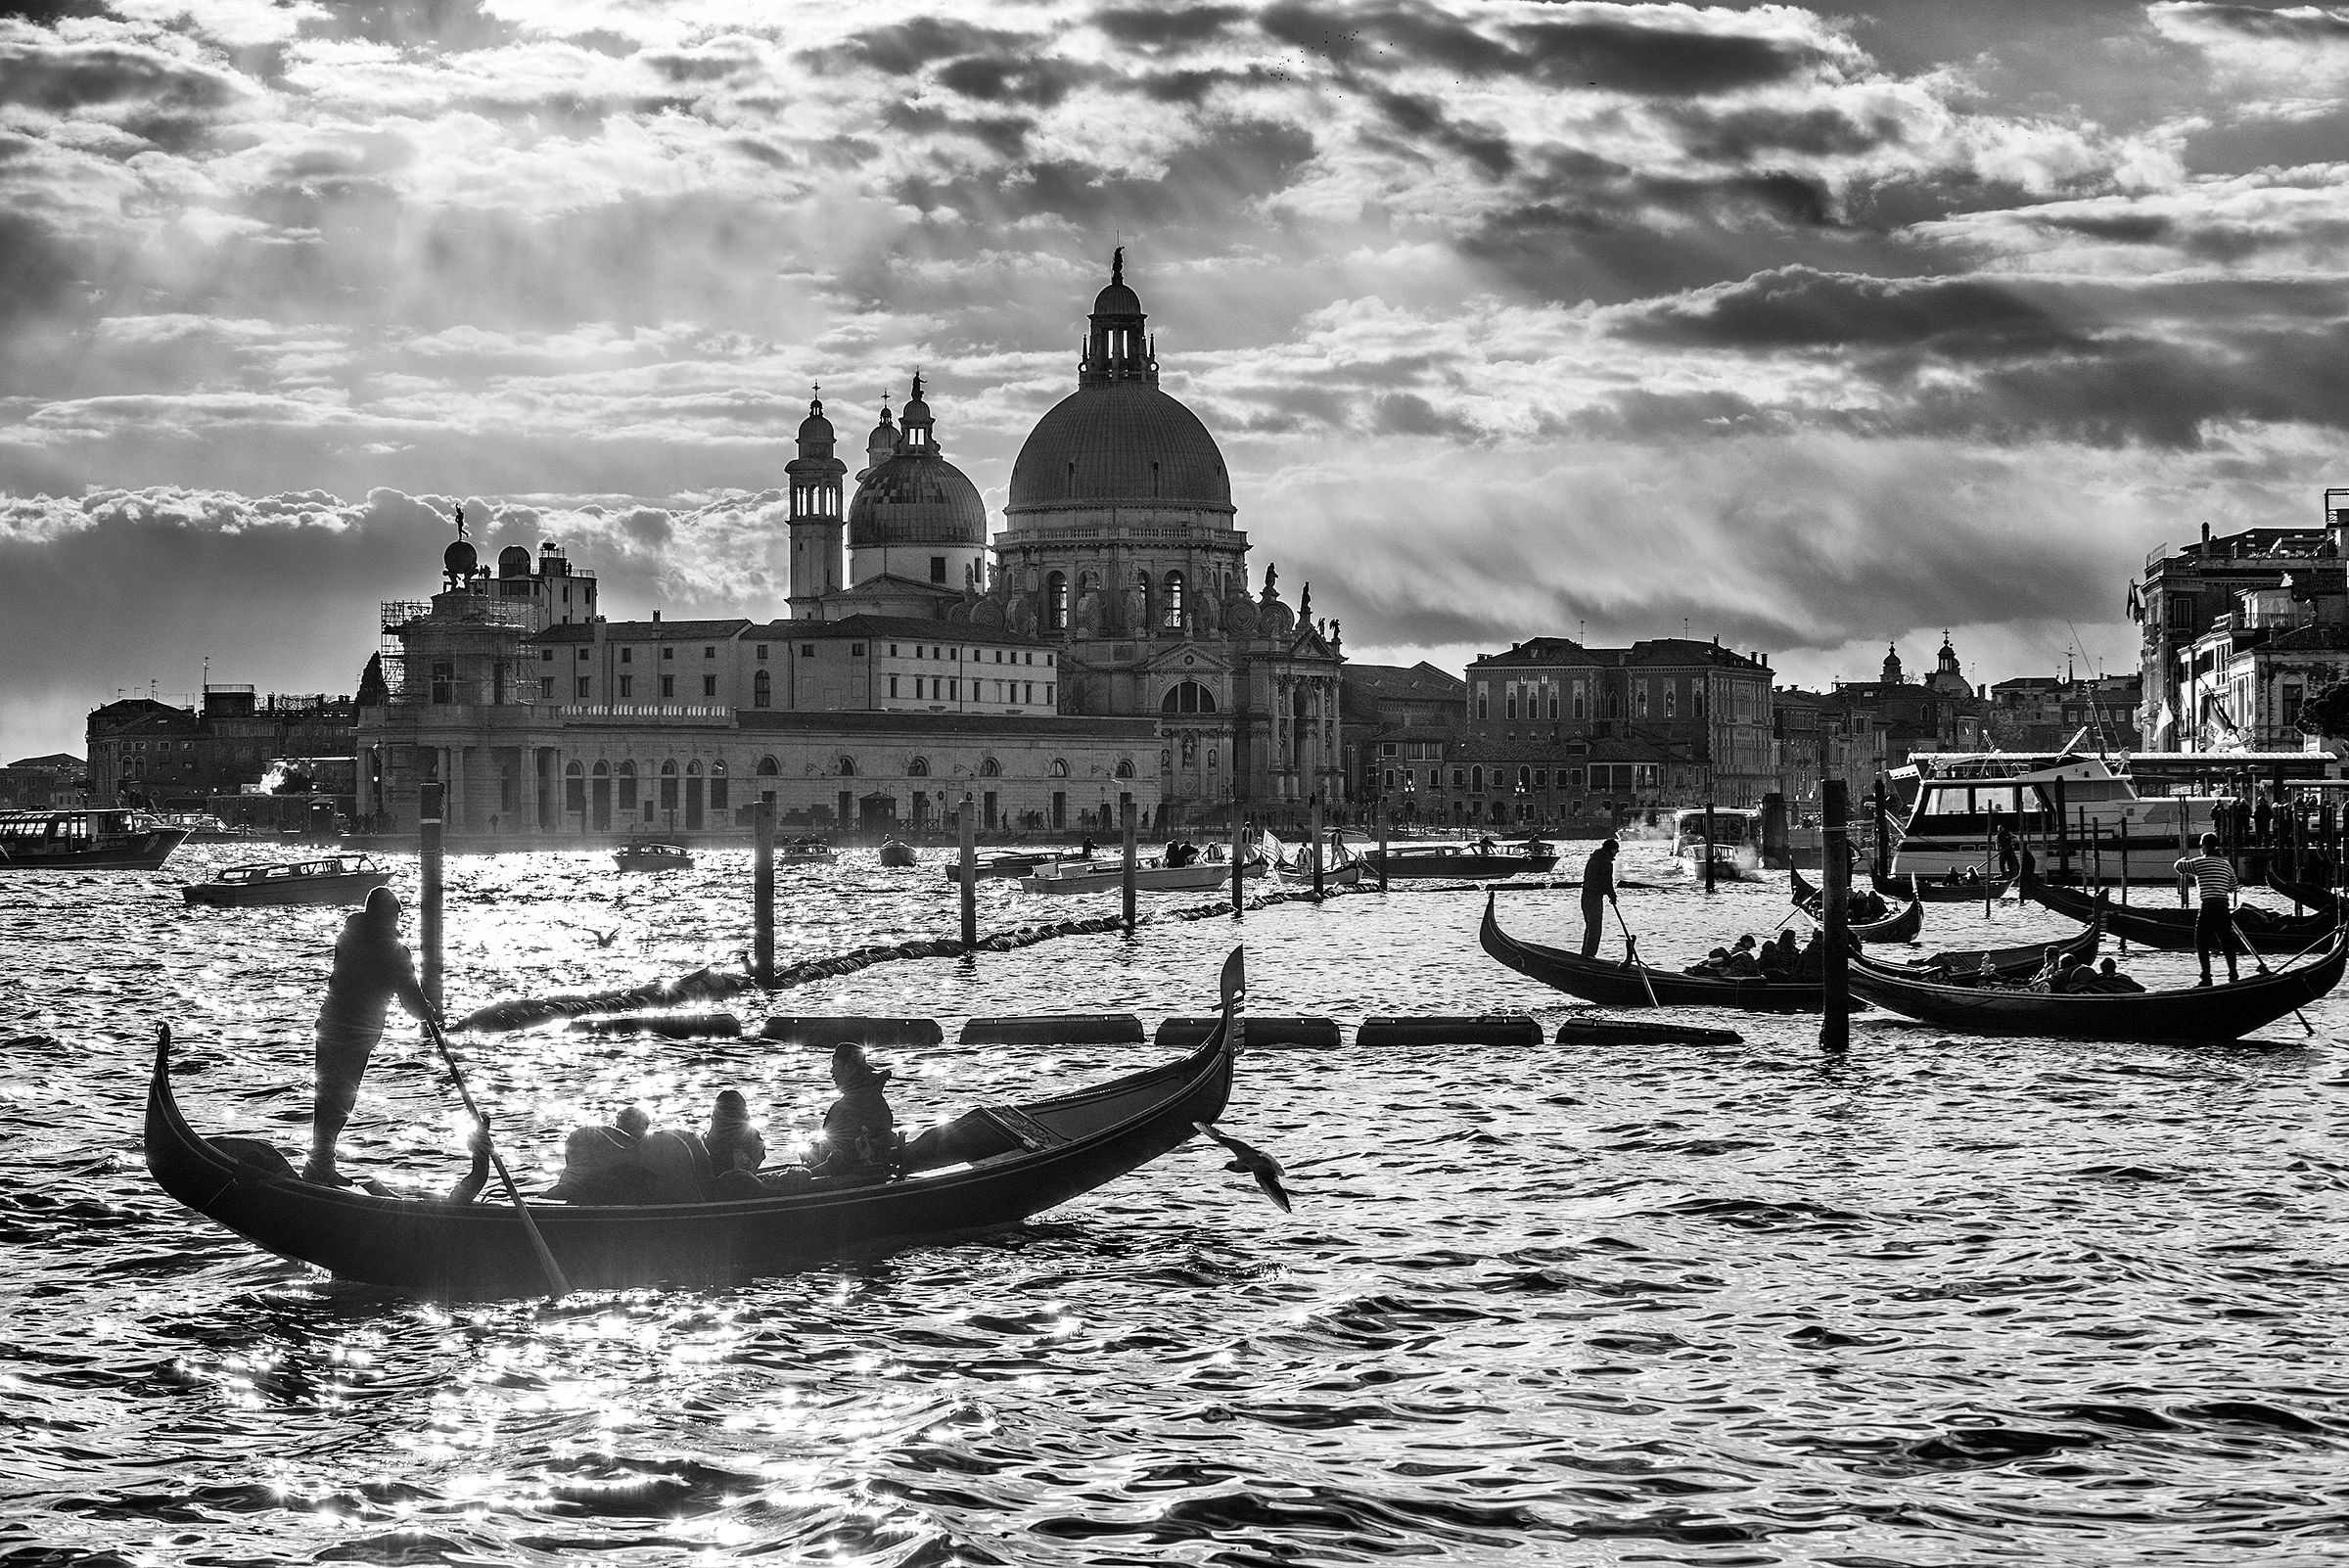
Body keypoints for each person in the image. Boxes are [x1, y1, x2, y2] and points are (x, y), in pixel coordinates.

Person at [305, 886, 437, 1184]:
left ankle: (320, 1163)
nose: (397, 925)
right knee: (340, 1101)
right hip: (355, 1033)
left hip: (330, 1025)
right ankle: (320, 1166)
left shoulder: (349, 935)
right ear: (388, 917)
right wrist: (427, 1009)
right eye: (395, 918)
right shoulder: (393, 950)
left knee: (327, 1099)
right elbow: (412, 1003)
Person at [811, 1042, 898, 1179]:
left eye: (835, 1065)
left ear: (849, 1067)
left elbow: (843, 1160)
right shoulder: (874, 1098)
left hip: (859, 1177)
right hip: (878, 1169)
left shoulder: (847, 1108)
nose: (831, 1071)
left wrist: (807, 1174)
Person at [2174, 831, 2241, 986]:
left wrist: (2184, 858)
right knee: (2226, 941)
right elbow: (2233, 886)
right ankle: (2233, 974)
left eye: (2200, 846)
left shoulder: (2199, 863)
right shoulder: (2226, 865)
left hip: (2208, 905)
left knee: (2201, 941)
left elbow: (2178, 867)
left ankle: (2206, 977)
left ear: (2204, 847)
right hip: (2223, 906)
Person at [1580, 835, 1620, 959]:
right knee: (1595, 928)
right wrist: (1612, 896)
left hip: (1585, 896)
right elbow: (1607, 882)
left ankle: (1585, 954)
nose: (1617, 852)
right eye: (1615, 849)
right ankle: (1590, 956)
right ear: (1610, 849)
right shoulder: (1605, 862)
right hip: (1594, 897)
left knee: (1590, 927)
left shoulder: (1594, 858)